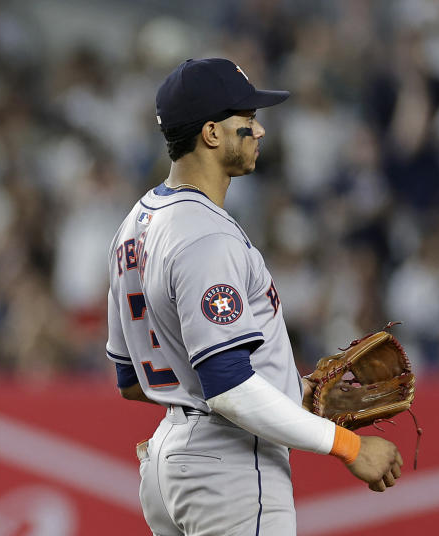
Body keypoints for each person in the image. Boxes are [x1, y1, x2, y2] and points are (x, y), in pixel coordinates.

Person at [105, 58, 402, 535]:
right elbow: (228, 388)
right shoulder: (204, 235)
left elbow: (131, 379)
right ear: (211, 133)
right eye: (246, 121)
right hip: (229, 465)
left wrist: (288, 392)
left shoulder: (135, 224)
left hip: (170, 462)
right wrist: (349, 446)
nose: (260, 130)